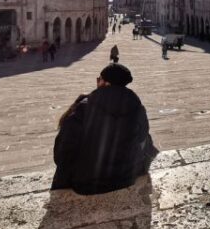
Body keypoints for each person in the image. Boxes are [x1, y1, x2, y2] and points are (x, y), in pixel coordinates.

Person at [51, 63, 157, 195]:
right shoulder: (137, 107)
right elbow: (142, 138)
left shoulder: (83, 109)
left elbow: (62, 152)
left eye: (99, 79)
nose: (97, 82)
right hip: (125, 178)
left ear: (106, 83)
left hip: (86, 184)